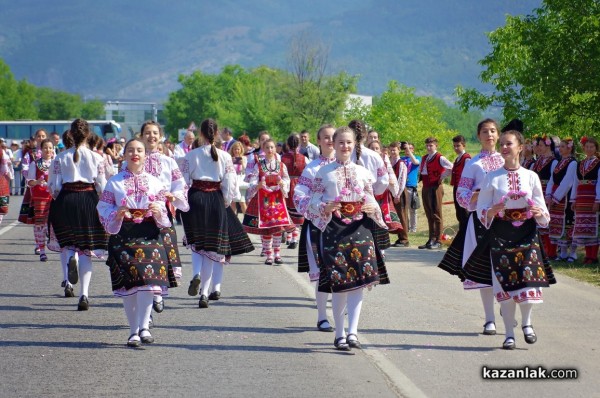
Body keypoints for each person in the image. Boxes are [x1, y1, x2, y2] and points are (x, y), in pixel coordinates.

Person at [466, 129, 556, 350]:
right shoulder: (492, 177)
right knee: (504, 284)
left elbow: (543, 211)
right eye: (502, 144)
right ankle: (508, 334)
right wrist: (492, 209)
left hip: (527, 233)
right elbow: (481, 211)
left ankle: (527, 324)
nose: (504, 148)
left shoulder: (530, 176)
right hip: (501, 235)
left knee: (528, 282)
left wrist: (538, 214)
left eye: (509, 144)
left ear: (520, 147)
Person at [307, 126, 389, 351]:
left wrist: (373, 207)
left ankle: (353, 332)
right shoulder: (323, 173)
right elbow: (311, 202)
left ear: (354, 145)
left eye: (349, 142)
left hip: (360, 229)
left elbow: (371, 199)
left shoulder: (363, 173)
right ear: (333, 144)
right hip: (333, 229)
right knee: (339, 282)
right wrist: (325, 206)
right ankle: (339, 332)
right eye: (340, 142)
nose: (344, 146)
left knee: (359, 282)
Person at [97, 138, 176, 347]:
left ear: (145, 155)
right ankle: (133, 331)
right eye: (131, 150)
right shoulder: (114, 181)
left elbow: (163, 212)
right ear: (124, 155)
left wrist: (159, 211)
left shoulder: (155, 181)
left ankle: (144, 327)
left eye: (139, 150)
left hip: (149, 233)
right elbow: (102, 207)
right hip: (124, 233)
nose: (135, 153)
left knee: (149, 283)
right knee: (130, 284)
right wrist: (116, 212)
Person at [438, 118, 504, 335]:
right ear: (478, 136)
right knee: (485, 270)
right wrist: (479, 196)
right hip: (483, 222)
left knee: (505, 268)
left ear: (499, 134)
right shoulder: (473, 164)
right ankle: (489, 318)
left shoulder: (508, 161)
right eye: (485, 131)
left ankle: (507, 308)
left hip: (507, 222)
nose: (489, 135)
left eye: (493, 131)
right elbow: (461, 195)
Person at [182, 119, 253, 307]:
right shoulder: (224, 156)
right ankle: (204, 293)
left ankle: (196, 274)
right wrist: (227, 201)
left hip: (195, 197)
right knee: (212, 248)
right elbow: (230, 182)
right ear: (216, 133)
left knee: (197, 242)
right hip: (215, 198)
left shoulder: (191, 155)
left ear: (201, 134)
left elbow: (183, 181)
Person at [48, 119, 108, 311]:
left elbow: (54, 187)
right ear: (88, 135)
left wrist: (60, 198)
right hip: (88, 200)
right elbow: (102, 185)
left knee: (67, 244)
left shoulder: (60, 157)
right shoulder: (97, 157)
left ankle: (68, 271)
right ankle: (84, 294)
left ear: (70, 135)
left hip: (66, 199)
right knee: (87, 250)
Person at [137, 120, 190, 317]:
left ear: (160, 137)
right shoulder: (132, 161)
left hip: (162, 217)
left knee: (161, 257)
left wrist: (172, 195)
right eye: (147, 133)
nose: (151, 136)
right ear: (141, 136)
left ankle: (157, 295)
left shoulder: (169, 161)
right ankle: (146, 314)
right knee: (141, 261)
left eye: (155, 133)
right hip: (138, 218)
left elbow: (180, 185)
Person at [294, 124, 336, 332]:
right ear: (318, 141)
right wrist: (320, 208)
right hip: (320, 225)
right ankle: (322, 316)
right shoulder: (312, 168)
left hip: (345, 225)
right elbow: (299, 196)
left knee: (344, 270)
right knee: (322, 271)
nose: (330, 141)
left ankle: (344, 316)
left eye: (333, 137)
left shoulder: (349, 166)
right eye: (326, 138)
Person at [243, 138, 292, 265]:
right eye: (267, 148)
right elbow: (253, 180)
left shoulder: (281, 165)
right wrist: (257, 185)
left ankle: (277, 254)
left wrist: (283, 184)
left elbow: (286, 179)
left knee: (277, 228)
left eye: (272, 147)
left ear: (275, 149)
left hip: (277, 200)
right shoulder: (258, 165)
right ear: (263, 150)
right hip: (263, 200)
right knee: (266, 228)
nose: (270, 150)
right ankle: (269, 254)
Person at [348, 120, 391, 252]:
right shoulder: (374, 156)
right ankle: (377, 259)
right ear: (365, 136)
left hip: (348, 201)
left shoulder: (343, 154)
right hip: (370, 199)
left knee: (350, 237)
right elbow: (384, 181)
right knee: (373, 234)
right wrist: (373, 192)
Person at [546, 137, 578, 262]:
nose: (560, 149)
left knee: (568, 222)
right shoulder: (560, 162)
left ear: (569, 148)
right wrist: (549, 195)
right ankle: (563, 252)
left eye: (563, 146)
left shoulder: (573, 162)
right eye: (560, 147)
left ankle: (573, 253)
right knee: (557, 223)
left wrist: (556, 197)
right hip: (556, 195)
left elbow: (568, 182)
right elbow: (552, 179)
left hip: (566, 196)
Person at [418, 137, 453, 249]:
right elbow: (422, 171)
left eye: (431, 145)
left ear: (436, 146)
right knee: (429, 213)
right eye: (427, 146)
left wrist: (441, 177)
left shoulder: (440, 157)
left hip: (435, 186)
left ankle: (438, 240)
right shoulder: (424, 158)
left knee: (436, 213)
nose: (429, 147)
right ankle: (431, 239)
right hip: (426, 186)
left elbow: (451, 167)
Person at [26, 139, 56, 262]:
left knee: (55, 223)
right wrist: (37, 182)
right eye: (45, 148)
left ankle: (55, 245)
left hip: (54, 197)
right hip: (40, 198)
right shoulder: (35, 164)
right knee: (40, 225)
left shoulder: (57, 163)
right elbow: (29, 182)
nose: (48, 150)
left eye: (50, 148)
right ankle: (42, 250)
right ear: (41, 149)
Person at [571, 136, 600, 264]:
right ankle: (588, 255)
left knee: (593, 226)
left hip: (592, 196)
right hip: (581, 197)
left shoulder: (599, 163)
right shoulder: (580, 164)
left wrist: (598, 200)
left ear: (596, 148)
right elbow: (576, 182)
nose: (589, 149)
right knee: (584, 227)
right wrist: (573, 200)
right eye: (587, 147)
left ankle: (593, 256)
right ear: (583, 148)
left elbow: (599, 183)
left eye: (591, 147)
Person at [19, 129, 47, 254]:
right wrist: (33, 177)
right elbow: (24, 168)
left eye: (43, 136)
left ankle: (49, 239)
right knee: (37, 218)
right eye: (39, 136)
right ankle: (38, 244)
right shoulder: (30, 154)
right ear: (35, 138)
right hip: (35, 190)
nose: (41, 138)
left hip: (49, 191)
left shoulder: (52, 152)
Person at [531, 134, 558, 259]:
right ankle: (541, 249)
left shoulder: (554, 161)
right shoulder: (538, 162)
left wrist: (550, 195)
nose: (539, 148)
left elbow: (553, 179)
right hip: (537, 192)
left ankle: (550, 251)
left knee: (548, 222)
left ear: (548, 146)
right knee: (538, 222)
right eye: (538, 145)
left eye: (541, 145)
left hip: (547, 192)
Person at [368, 140, 403, 236]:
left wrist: (395, 191)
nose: (374, 150)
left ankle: (381, 245)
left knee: (382, 219)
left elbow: (391, 177)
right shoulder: (365, 162)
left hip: (383, 195)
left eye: (377, 148)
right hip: (369, 195)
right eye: (372, 148)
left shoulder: (384, 162)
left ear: (380, 150)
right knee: (371, 219)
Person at [281, 134, 306, 249]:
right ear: (298, 144)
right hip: (299, 185)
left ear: (288, 144)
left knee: (287, 212)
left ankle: (289, 237)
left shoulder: (282, 158)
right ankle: (295, 238)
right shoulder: (303, 158)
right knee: (296, 211)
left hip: (285, 185)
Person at [388, 142, 409, 246]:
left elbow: (402, 180)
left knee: (401, 214)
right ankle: (400, 237)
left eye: (394, 150)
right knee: (396, 215)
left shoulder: (401, 163)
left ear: (398, 150)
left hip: (399, 192)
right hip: (392, 192)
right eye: (391, 150)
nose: (392, 152)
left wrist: (398, 195)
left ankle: (404, 239)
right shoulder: (390, 162)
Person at [450, 135, 472, 229]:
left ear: (464, 145)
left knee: (464, 213)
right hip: (457, 187)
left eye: (458, 145)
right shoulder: (458, 158)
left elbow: (469, 175)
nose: (456, 148)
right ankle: (462, 233)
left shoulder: (466, 158)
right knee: (459, 212)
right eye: (454, 146)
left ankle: (466, 234)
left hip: (464, 188)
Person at [402, 142, 421, 232]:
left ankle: (413, 228)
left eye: (410, 148)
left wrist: (410, 153)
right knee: (403, 208)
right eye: (406, 148)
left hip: (410, 186)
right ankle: (406, 227)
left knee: (412, 209)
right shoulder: (401, 159)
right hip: (402, 186)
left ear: (413, 149)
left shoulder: (417, 157)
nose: (407, 150)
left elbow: (416, 162)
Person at [229, 141, 248, 214]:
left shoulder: (244, 158)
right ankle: (233, 222)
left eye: (238, 149)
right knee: (233, 202)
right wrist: (231, 162)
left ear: (241, 150)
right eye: (235, 149)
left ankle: (247, 221)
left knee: (242, 201)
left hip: (240, 181)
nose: (236, 151)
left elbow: (244, 170)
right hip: (233, 181)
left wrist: (242, 163)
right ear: (232, 150)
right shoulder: (230, 158)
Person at [0, 143, 13, 226]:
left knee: (2, 209)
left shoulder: (2, 152)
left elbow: (6, 168)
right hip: (2, 181)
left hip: (2, 182)